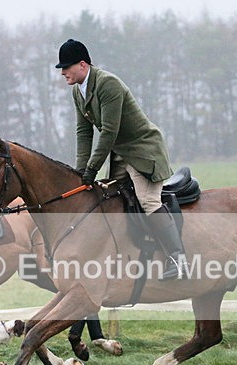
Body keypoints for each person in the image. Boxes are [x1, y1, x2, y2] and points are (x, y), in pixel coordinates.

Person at [55, 39, 188, 280]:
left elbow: (108, 132)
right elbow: (83, 132)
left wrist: (92, 169)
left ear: (82, 65)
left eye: (67, 67)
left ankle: (178, 260)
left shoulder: (108, 84)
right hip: (120, 153)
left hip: (142, 150)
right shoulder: (78, 90)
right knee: (109, 198)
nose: (63, 72)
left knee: (147, 201)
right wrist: (80, 171)